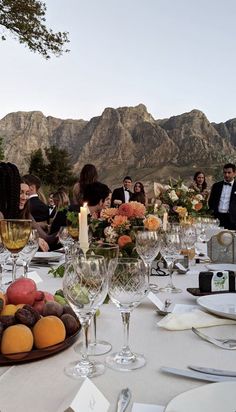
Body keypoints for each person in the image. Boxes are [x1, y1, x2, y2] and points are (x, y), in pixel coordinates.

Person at [208, 163, 236, 230]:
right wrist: (213, 214)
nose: (226, 175)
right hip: (217, 218)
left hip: (232, 219)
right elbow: (211, 201)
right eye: (225, 172)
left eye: (229, 172)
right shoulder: (216, 186)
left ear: (234, 173)